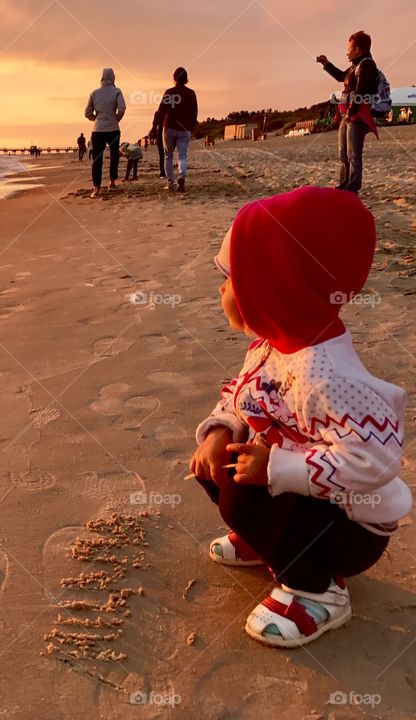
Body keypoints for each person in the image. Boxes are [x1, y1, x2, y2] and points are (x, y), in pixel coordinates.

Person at [190, 186, 410, 648]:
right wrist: (218, 431)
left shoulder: (329, 375)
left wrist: (277, 467)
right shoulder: (271, 346)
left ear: (272, 286)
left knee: (242, 496)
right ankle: (270, 542)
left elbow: (376, 461)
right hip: (305, 500)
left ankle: (320, 591)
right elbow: (242, 397)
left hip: (352, 525)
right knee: (217, 464)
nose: (221, 290)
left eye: (232, 280)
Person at [317, 30, 381, 193]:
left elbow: (361, 91)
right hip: (349, 114)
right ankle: (344, 184)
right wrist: (326, 64)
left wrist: (351, 111)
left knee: (353, 154)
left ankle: (352, 188)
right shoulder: (355, 66)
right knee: (343, 154)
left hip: (358, 116)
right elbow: (341, 77)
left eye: (349, 48)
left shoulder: (367, 64)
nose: (347, 52)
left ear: (358, 49)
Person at [84, 68, 126, 197]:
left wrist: (95, 118)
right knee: (114, 156)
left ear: (101, 78)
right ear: (113, 78)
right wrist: (116, 118)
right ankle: (112, 182)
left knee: (97, 159)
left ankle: (96, 188)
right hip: (113, 128)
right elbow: (122, 108)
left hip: (98, 130)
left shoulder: (94, 93)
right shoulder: (117, 91)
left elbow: (87, 113)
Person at [156, 67, 198, 192]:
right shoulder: (191, 93)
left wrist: (154, 126)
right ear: (186, 79)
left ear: (174, 78)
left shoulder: (169, 92)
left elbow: (161, 110)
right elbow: (194, 112)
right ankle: (181, 176)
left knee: (168, 156)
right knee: (182, 156)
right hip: (184, 129)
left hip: (169, 127)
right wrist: (191, 127)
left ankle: (170, 183)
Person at [149, 106, 166, 178]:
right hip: (168, 132)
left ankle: (162, 173)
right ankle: (168, 171)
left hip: (160, 133)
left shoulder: (157, 113)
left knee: (161, 154)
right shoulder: (169, 112)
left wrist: (151, 136)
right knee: (168, 154)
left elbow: (154, 126)